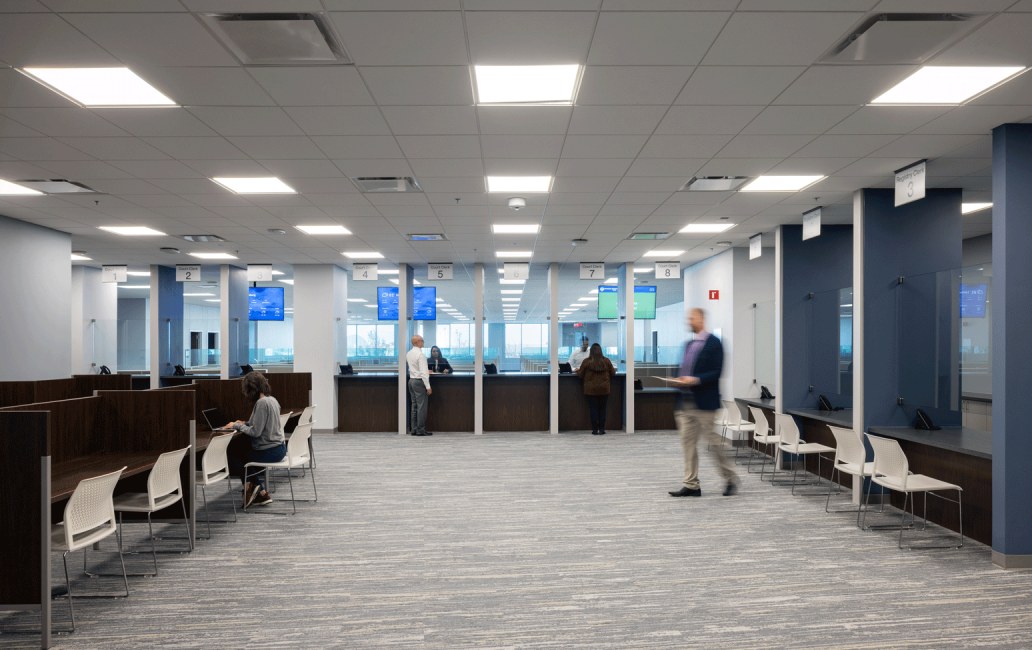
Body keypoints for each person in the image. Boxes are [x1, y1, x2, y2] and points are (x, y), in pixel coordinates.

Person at [668, 308, 738, 498]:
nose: (688, 321)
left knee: (714, 443)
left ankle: (730, 478)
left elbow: (717, 372)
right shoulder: (689, 344)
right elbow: (682, 367)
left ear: (701, 319)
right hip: (685, 402)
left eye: (691, 318)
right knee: (688, 445)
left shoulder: (715, 343)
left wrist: (695, 380)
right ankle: (691, 485)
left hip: (705, 403)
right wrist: (677, 379)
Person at [226, 371, 286, 507]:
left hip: (270, 451)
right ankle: (262, 494)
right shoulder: (272, 399)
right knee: (242, 455)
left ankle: (250, 490)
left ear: (251, 389)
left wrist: (236, 425)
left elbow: (255, 432)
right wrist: (244, 423)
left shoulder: (261, 403)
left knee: (236, 457)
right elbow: (263, 423)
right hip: (279, 448)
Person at [576, 343, 617, 435]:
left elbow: (580, 375)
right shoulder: (606, 361)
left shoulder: (586, 361)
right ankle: (602, 429)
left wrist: (577, 370)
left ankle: (595, 430)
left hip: (590, 389)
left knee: (593, 409)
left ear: (591, 351)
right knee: (602, 408)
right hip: (604, 389)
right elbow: (613, 373)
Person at [406, 334, 432, 436]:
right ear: (417, 342)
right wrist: (428, 386)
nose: (423, 342)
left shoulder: (409, 353)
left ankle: (414, 429)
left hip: (411, 381)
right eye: (422, 340)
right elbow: (423, 373)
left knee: (414, 406)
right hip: (419, 382)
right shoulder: (420, 355)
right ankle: (421, 430)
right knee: (422, 406)